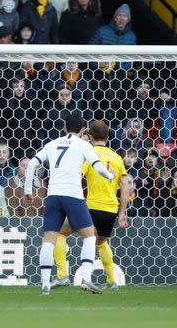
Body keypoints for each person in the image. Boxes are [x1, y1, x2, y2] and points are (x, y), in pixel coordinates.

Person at [22, 112, 116, 295]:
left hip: (53, 196)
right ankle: (87, 279)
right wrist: (110, 176)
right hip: (73, 195)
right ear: (83, 130)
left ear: (64, 128)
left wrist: (28, 191)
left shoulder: (53, 143)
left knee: (49, 240)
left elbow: (32, 163)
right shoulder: (83, 145)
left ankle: (45, 285)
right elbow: (98, 167)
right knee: (89, 236)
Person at [52, 120, 131, 289]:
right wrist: (122, 213)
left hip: (90, 207)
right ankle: (111, 281)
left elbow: (75, 176)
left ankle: (62, 275)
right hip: (110, 209)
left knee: (59, 233)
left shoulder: (88, 153)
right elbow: (125, 186)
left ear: (90, 136)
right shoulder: (117, 158)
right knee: (101, 243)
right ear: (108, 137)